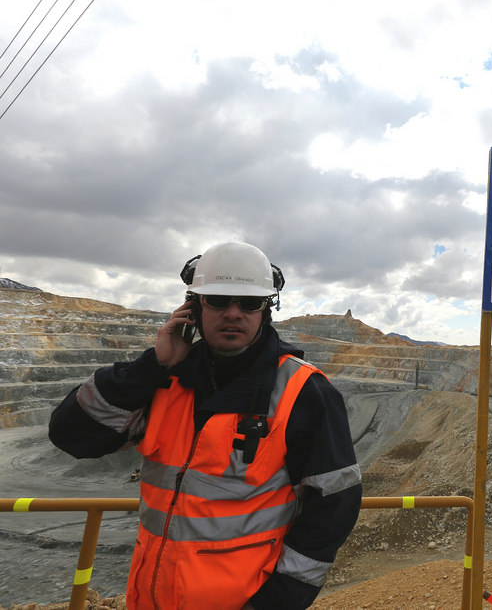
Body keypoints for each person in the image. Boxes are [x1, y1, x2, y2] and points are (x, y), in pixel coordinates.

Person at [49, 241, 362, 610]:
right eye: (217, 300)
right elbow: (72, 435)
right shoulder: (165, 380)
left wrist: (278, 602)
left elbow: (334, 507)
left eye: (249, 303)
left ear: (266, 310)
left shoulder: (305, 392)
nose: (233, 313)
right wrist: (151, 365)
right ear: (193, 307)